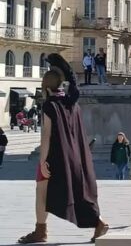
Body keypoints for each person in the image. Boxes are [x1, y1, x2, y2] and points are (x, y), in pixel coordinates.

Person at [18, 53, 109, 244]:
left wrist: (42, 162)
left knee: (41, 192)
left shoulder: (50, 105)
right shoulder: (71, 103)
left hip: (54, 157)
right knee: (77, 191)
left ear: (46, 87)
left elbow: (46, 136)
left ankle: (40, 231)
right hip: (73, 155)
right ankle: (98, 222)